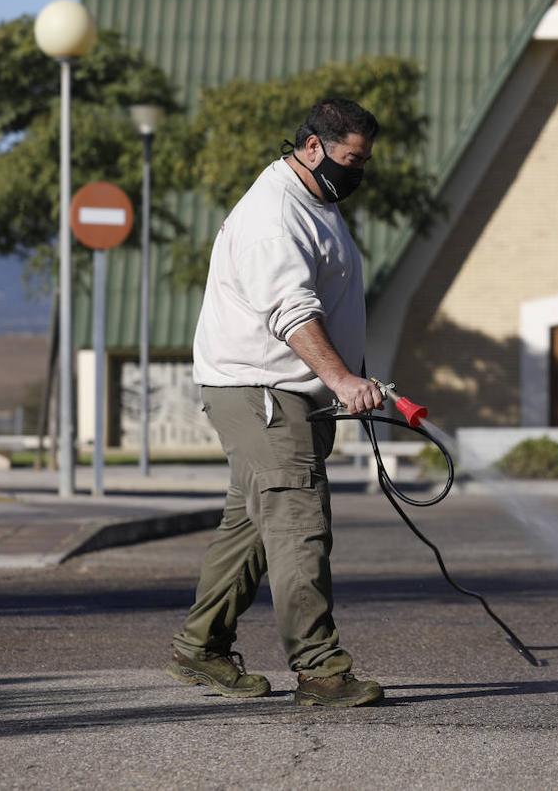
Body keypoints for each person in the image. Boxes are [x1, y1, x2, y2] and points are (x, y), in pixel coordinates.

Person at [165, 98, 386, 708]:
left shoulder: (317, 201)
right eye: (350, 159)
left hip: (288, 392)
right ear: (312, 147)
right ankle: (320, 669)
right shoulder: (273, 213)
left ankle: (199, 648)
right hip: (262, 391)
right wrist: (341, 378)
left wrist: (348, 378)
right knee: (298, 524)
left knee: (253, 528)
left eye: (363, 161)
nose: (357, 171)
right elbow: (291, 311)